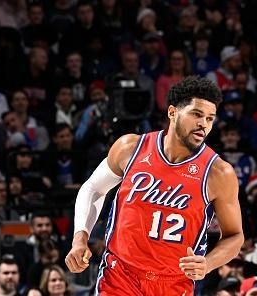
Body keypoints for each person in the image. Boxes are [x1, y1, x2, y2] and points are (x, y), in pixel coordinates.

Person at [65, 76, 244, 295]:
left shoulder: (218, 173)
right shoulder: (130, 148)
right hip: (121, 274)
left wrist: (208, 263)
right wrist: (80, 238)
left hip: (173, 282)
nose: (203, 124)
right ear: (172, 113)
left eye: (210, 118)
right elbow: (93, 188)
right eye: (196, 114)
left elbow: (235, 236)